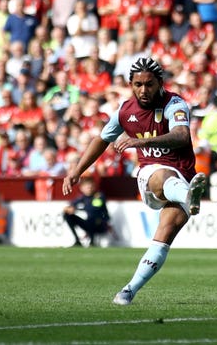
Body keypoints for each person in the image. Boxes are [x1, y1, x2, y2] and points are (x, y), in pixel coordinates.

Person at [62, 57, 207, 306]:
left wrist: (140, 142)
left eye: (149, 84)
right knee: (163, 175)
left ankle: (129, 290)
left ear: (160, 83)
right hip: (151, 175)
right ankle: (187, 196)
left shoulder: (175, 104)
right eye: (137, 84)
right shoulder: (125, 110)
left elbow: (182, 136)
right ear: (130, 83)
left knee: (165, 233)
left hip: (184, 175)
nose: (143, 90)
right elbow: (102, 139)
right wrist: (78, 170)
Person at [63, 176, 110, 247]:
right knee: (67, 215)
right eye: (87, 186)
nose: (89, 188)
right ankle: (77, 240)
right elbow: (70, 206)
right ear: (81, 188)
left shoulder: (99, 196)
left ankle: (92, 240)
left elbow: (94, 209)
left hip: (100, 224)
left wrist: (77, 209)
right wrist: (68, 209)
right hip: (88, 224)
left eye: (91, 186)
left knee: (93, 216)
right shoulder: (81, 198)